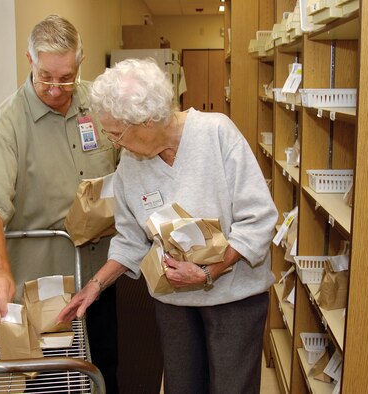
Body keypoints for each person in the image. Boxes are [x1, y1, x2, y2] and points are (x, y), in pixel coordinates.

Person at [58, 58, 278, 394]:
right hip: (174, 303)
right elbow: (130, 238)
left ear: (146, 121)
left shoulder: (216, 133)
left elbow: (259, 218)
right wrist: (95, 285)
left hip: (234, 300)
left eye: (118, 133)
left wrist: (209, 272)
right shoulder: (131, 166)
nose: (115, 143)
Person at [0, 14, 119, 393]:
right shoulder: (7, 126)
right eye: (45, 77)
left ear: (80, 63)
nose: (55, 88)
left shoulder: (98, 106)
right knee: (52, 383)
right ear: (29, 60)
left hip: (99, 280)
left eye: (66, 77)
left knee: (103, 374)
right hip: (44, 292)